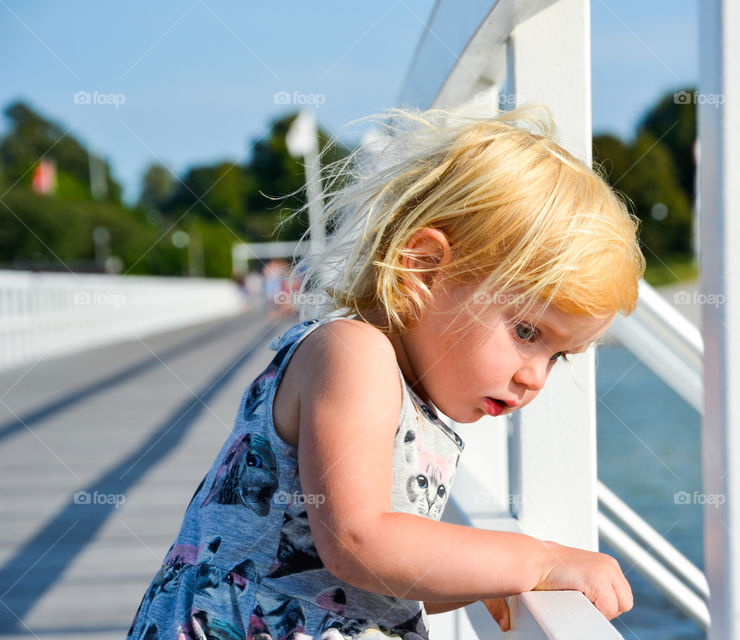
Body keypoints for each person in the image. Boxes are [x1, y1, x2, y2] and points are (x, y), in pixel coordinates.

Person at [125, 103, 645, 640]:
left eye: (558, 356)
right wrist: (538, 561)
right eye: (528, 333)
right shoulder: (353, 355)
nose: (535, 377)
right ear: (422, 269)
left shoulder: (401, 390)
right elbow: (359, 542)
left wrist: (481, 574)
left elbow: (363, 586)